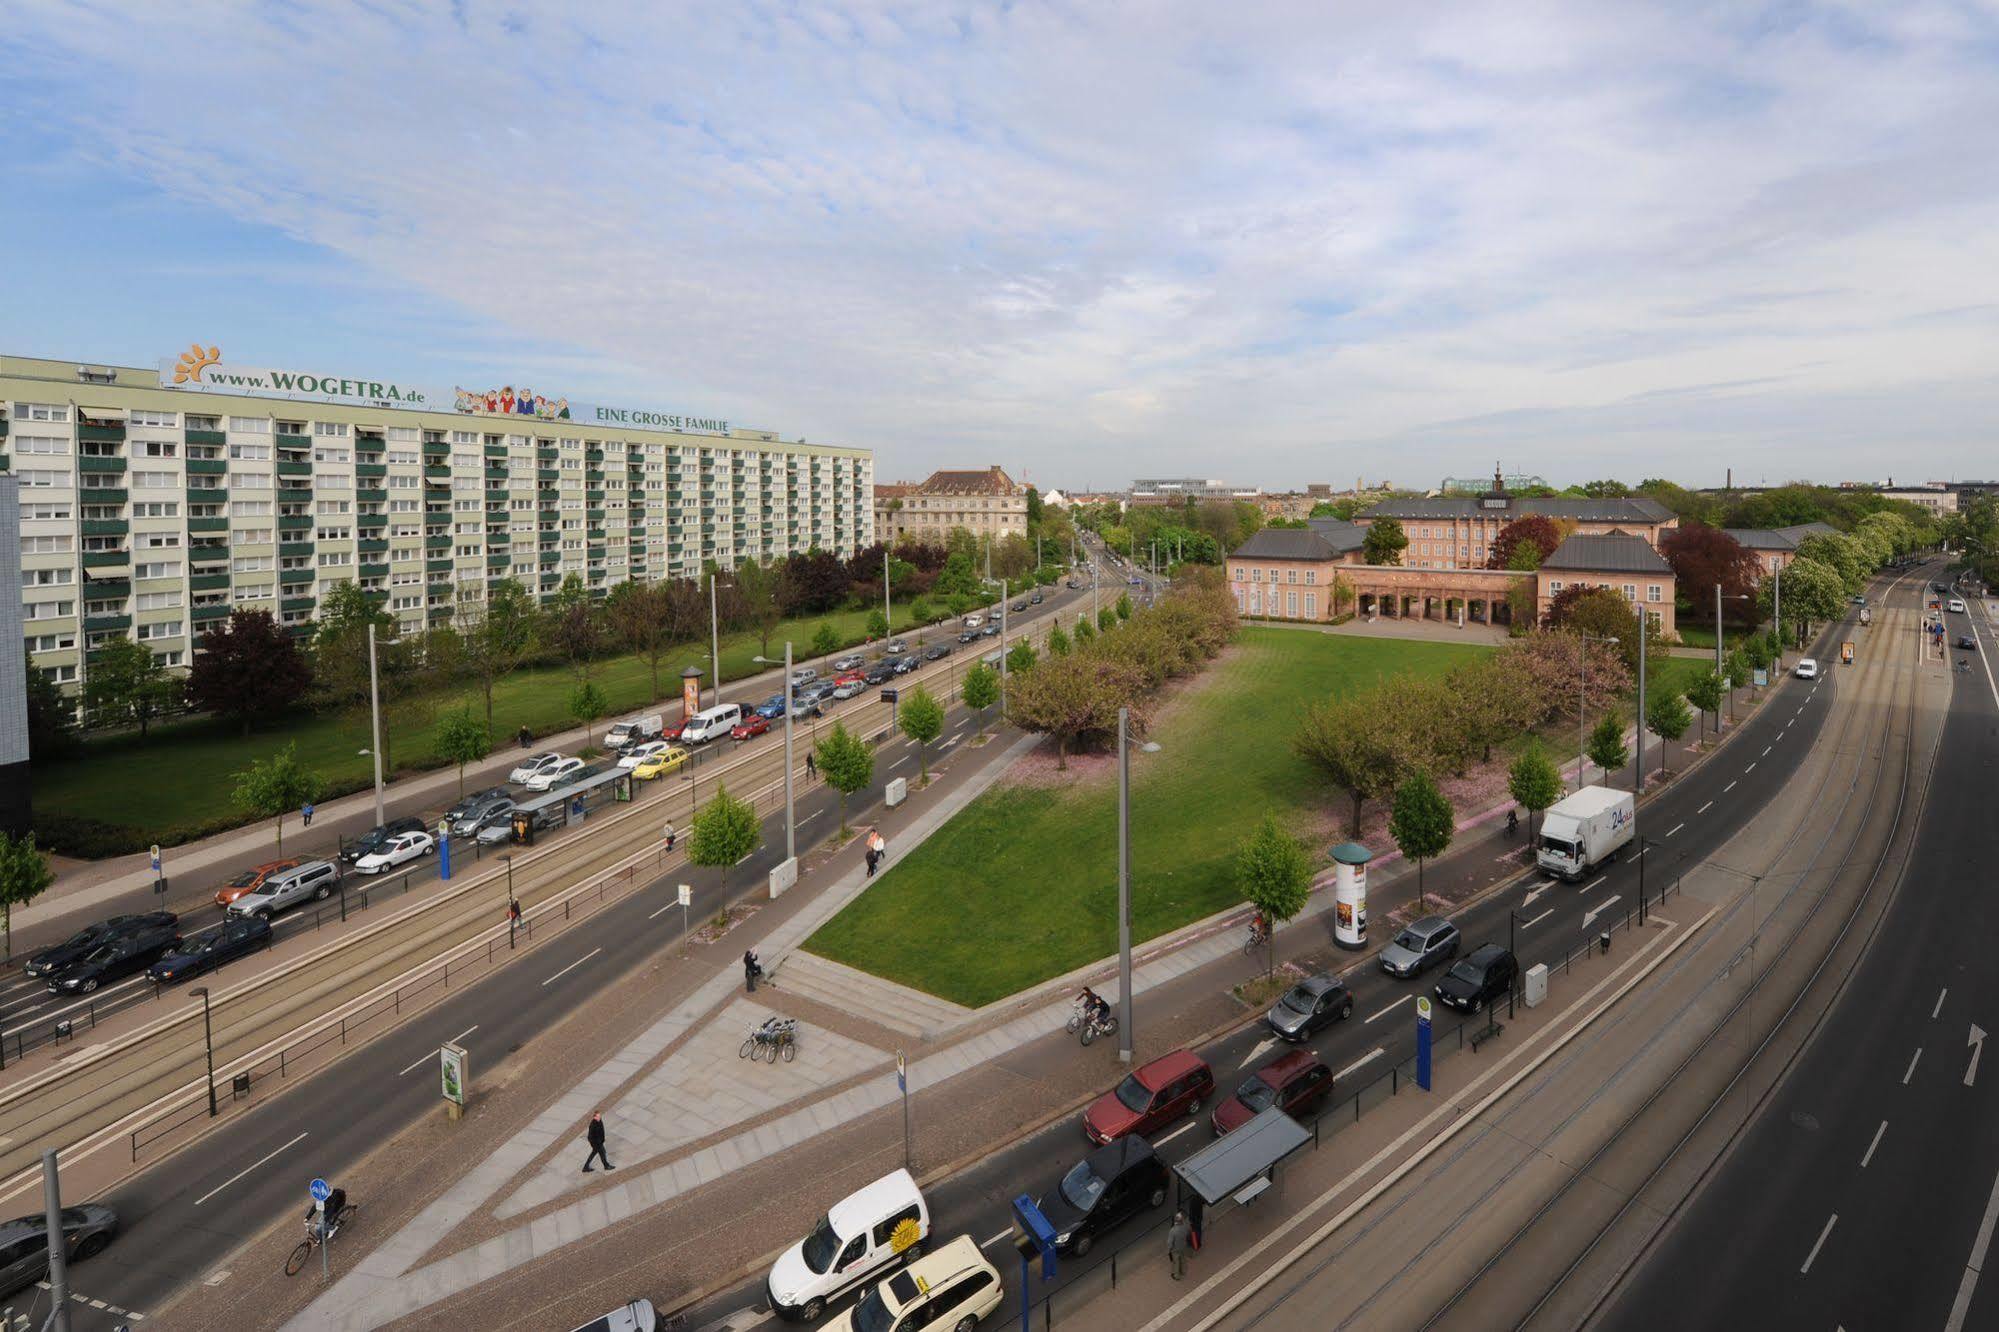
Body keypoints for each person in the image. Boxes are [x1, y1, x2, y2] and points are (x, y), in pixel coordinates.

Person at [1167, 1210, 1192, 1280]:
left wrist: (1169, 1250)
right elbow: (1189, 1233)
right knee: (1183, 1259)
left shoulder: (1173, 1230)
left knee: (1176, 1262)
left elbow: (1170, 1242)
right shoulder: (1185, 1226)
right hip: (1183, 1246)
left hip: (1175, 1249)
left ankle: (1176, 1275)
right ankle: (1183, 1271)